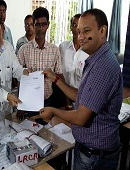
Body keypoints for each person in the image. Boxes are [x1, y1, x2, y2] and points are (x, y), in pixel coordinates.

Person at [40, 8, 122, 169]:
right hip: (92, 150)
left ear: (102, 31)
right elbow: (81, 96)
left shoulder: (102, 67)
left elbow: (81, 117)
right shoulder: (95, 60)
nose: (81, 37)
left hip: (95, 155)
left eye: (86, 31)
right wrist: (55, 78)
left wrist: (53, 111)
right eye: (78, 32)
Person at [16, 7, 64, 119]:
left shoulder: (54, 50)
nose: (40, 28)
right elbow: (18, 77)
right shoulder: (23, 49)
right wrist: (21, 105)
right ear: (33, 25)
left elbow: (59, 75)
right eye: (37, 24)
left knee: (46, 134)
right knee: (26, 133)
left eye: (44, 24)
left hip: (48, 102)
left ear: (48, 25)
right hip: (28, 105)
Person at [59, 14, 89, 89]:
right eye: (74, 25)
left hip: (81, 96)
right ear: (70, 27)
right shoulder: (63, 47)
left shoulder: (88, 52)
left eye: (79, 25)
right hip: (62, 93)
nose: (76, 29)